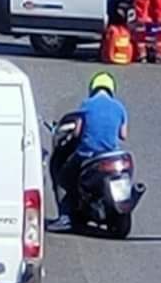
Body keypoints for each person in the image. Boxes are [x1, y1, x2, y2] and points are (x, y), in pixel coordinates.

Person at [49, 71, 129, 231]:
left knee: (64, 178)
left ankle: (66, 217)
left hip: (87, 154)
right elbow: (123, 135)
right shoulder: (120, 107)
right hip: (111, 155)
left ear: (93, 87)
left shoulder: (87, 104)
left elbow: (78, 132)